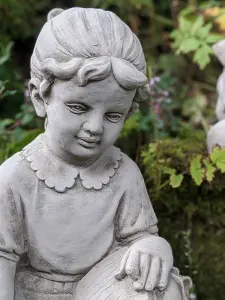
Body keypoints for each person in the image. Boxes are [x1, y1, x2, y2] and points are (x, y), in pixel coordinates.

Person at [0, 7, 190, 300]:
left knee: (159, 290)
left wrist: (154, 246)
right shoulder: (14, 179)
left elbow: (138, 238)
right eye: (79, 108)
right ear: (40, 98)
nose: (95, 127)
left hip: (100, 287)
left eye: (114, 115)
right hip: (32, 293)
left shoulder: (122, 171)